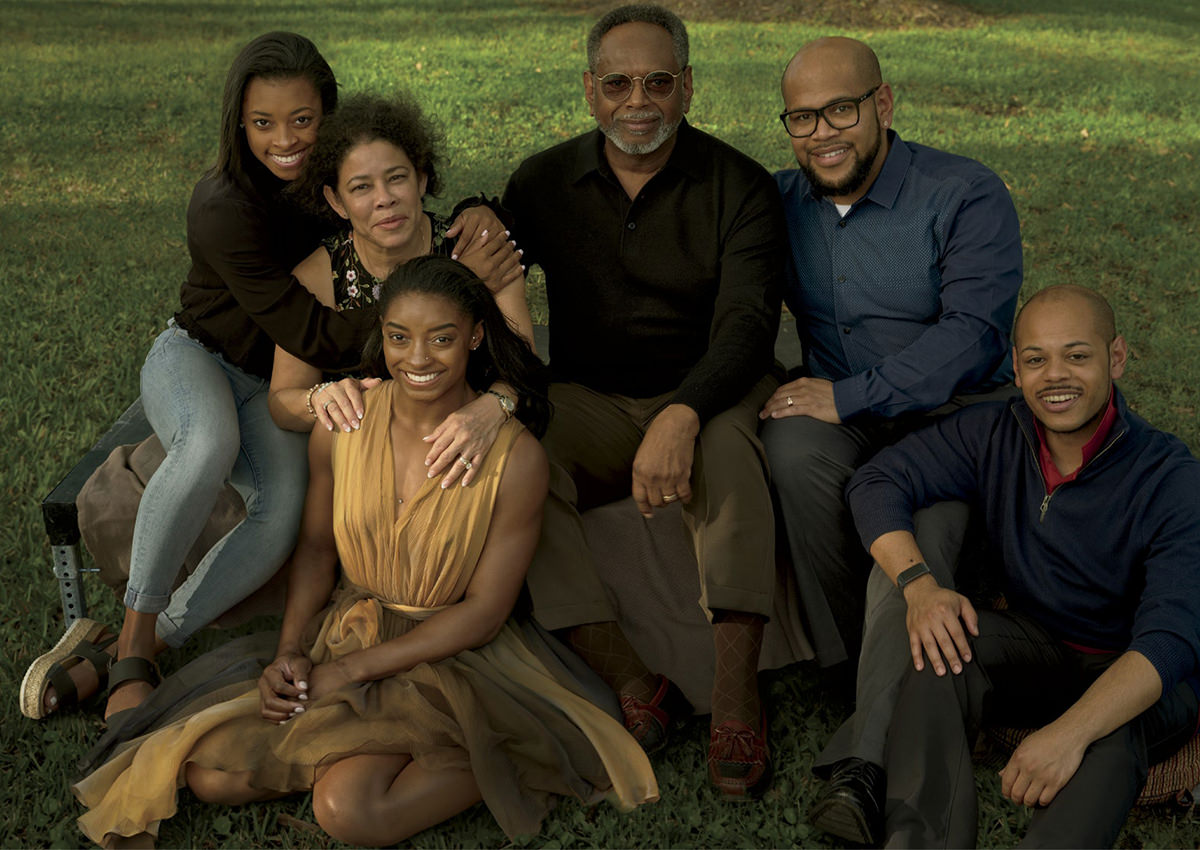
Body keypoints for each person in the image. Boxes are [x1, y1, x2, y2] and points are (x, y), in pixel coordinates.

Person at [71, 256, 659, 847]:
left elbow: (483, 613)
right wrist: (291, 650)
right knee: (211, 777)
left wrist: (347, 673)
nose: (419, 358)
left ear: (476, 337)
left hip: (451, 654)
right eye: (400, 338)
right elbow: (317, 551)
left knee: (347, 810)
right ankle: (344, 749)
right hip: (350, 627)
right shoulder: (343, 424)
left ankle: (497, 752)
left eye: (443, 339)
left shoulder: (515, 459)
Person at [19, 33, 504, 725]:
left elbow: (400, 195)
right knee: (207, 444)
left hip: (274, 386)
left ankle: (152, 641)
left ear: (327, 118)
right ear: (238, 124)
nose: (286, 141)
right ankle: (129, 643)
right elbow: (307, 333)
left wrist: (486, 211)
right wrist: (416, 327)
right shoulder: (223, 206)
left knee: (282, 511)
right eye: (264, 123)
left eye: (303, 120)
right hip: (202, 358)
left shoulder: (330, 184)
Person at [501, 4, 786, 798]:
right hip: (592, 396)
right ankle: (634, 682)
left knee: (729, 452)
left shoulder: (741, 187)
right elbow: (484, 244)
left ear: (687, 88)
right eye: (619, 82)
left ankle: (736, 695)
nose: (639, 100)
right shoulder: (545, 180)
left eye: (659, 82)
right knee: (520, 454)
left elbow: (749, 325)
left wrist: (684, 411)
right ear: (590, 91)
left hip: (714, 388)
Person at [757, 36, 1023, 831]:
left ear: (883, 104)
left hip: (954, 427)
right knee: (792, 449)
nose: (822, 133)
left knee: (918, 533)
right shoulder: (779, 203)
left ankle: (865, 764)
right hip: (842, 426)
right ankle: (854, 673)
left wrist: (851, 393)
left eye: (840, 109)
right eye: (801, 118)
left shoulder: (964, 193)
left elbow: (975, 335)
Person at [838, 284, 1200, 847]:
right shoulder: (994, 432)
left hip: (1135, 670)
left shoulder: (1171, 477)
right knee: (940, 646)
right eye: (1036, 359)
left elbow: (1171, 640)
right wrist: (918, 585)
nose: (1055, 375)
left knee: (1112, 731)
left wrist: (1068, 734)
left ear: (1117, 357)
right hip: (1040, 645)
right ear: (1017, 366)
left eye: (1077, 356)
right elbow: (878, 480)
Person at [268, 92, 533, 488]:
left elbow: (525, 362)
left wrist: (490, 409)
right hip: (370, 459)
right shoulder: (317, 277)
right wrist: (320, 398)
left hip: (474, 447)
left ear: (421, 178)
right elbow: (282, 399)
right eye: (360, 188)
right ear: (336, 201)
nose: (384, 199)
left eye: (396, 178)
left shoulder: (476, 246)